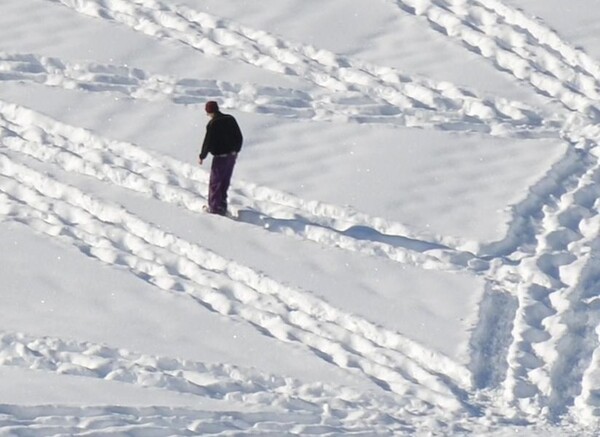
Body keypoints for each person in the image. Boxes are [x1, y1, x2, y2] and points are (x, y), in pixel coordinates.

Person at [198, 101, 243, 215]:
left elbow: (207, 142)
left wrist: (202, 156)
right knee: (224, 181)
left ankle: (214, 209)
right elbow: (239, 136)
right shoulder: (230, 118)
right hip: (231, 156)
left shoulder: (213, 124)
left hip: (220, 157)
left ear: (209, 111)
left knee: (215, 183)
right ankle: (222, 205)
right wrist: (236, 150)